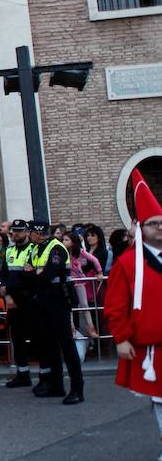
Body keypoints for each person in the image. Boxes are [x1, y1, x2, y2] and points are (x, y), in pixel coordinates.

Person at [105, 169, 162, 451]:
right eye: (154, 224)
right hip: (151, 348)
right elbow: (115, 304)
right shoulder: (127, 263)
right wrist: (122, 337)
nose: (160, 228)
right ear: (141, 228)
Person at [29, 220, 84, 404]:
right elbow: (27, 271)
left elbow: (47, 275)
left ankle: (77, 389)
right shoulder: (37, 248)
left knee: (66, 345)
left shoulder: (56, 248)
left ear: (38, 233)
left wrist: (34, 273)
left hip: (58, 301)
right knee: (49, 344)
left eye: (31, 232)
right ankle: (56, 386)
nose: (30, 235)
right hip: (44, 300)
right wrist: (34, 274)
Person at [2, 220, 41, 389]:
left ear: (26, 232)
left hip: (30, 300)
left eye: (19, 231)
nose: (16, 234)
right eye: (13, 231)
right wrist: (7, 295)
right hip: (13, 301)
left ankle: (44, 375)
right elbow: (5, 274)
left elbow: (33, 277)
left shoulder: (34, 249)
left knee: (37, 339)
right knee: (17, 339)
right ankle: (23, 374)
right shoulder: (9, 250)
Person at [63, 233, 102, 339]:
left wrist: (99, 272)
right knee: (69, 305)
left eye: (66, 240)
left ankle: (91, 328)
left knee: (84, 305)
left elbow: (94, 260)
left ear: (73, 242)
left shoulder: (79, 251)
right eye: (64, 240)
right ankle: (72, 329)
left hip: (79, 280)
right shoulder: (62, 251)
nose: (64, 242)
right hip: (68, 282)